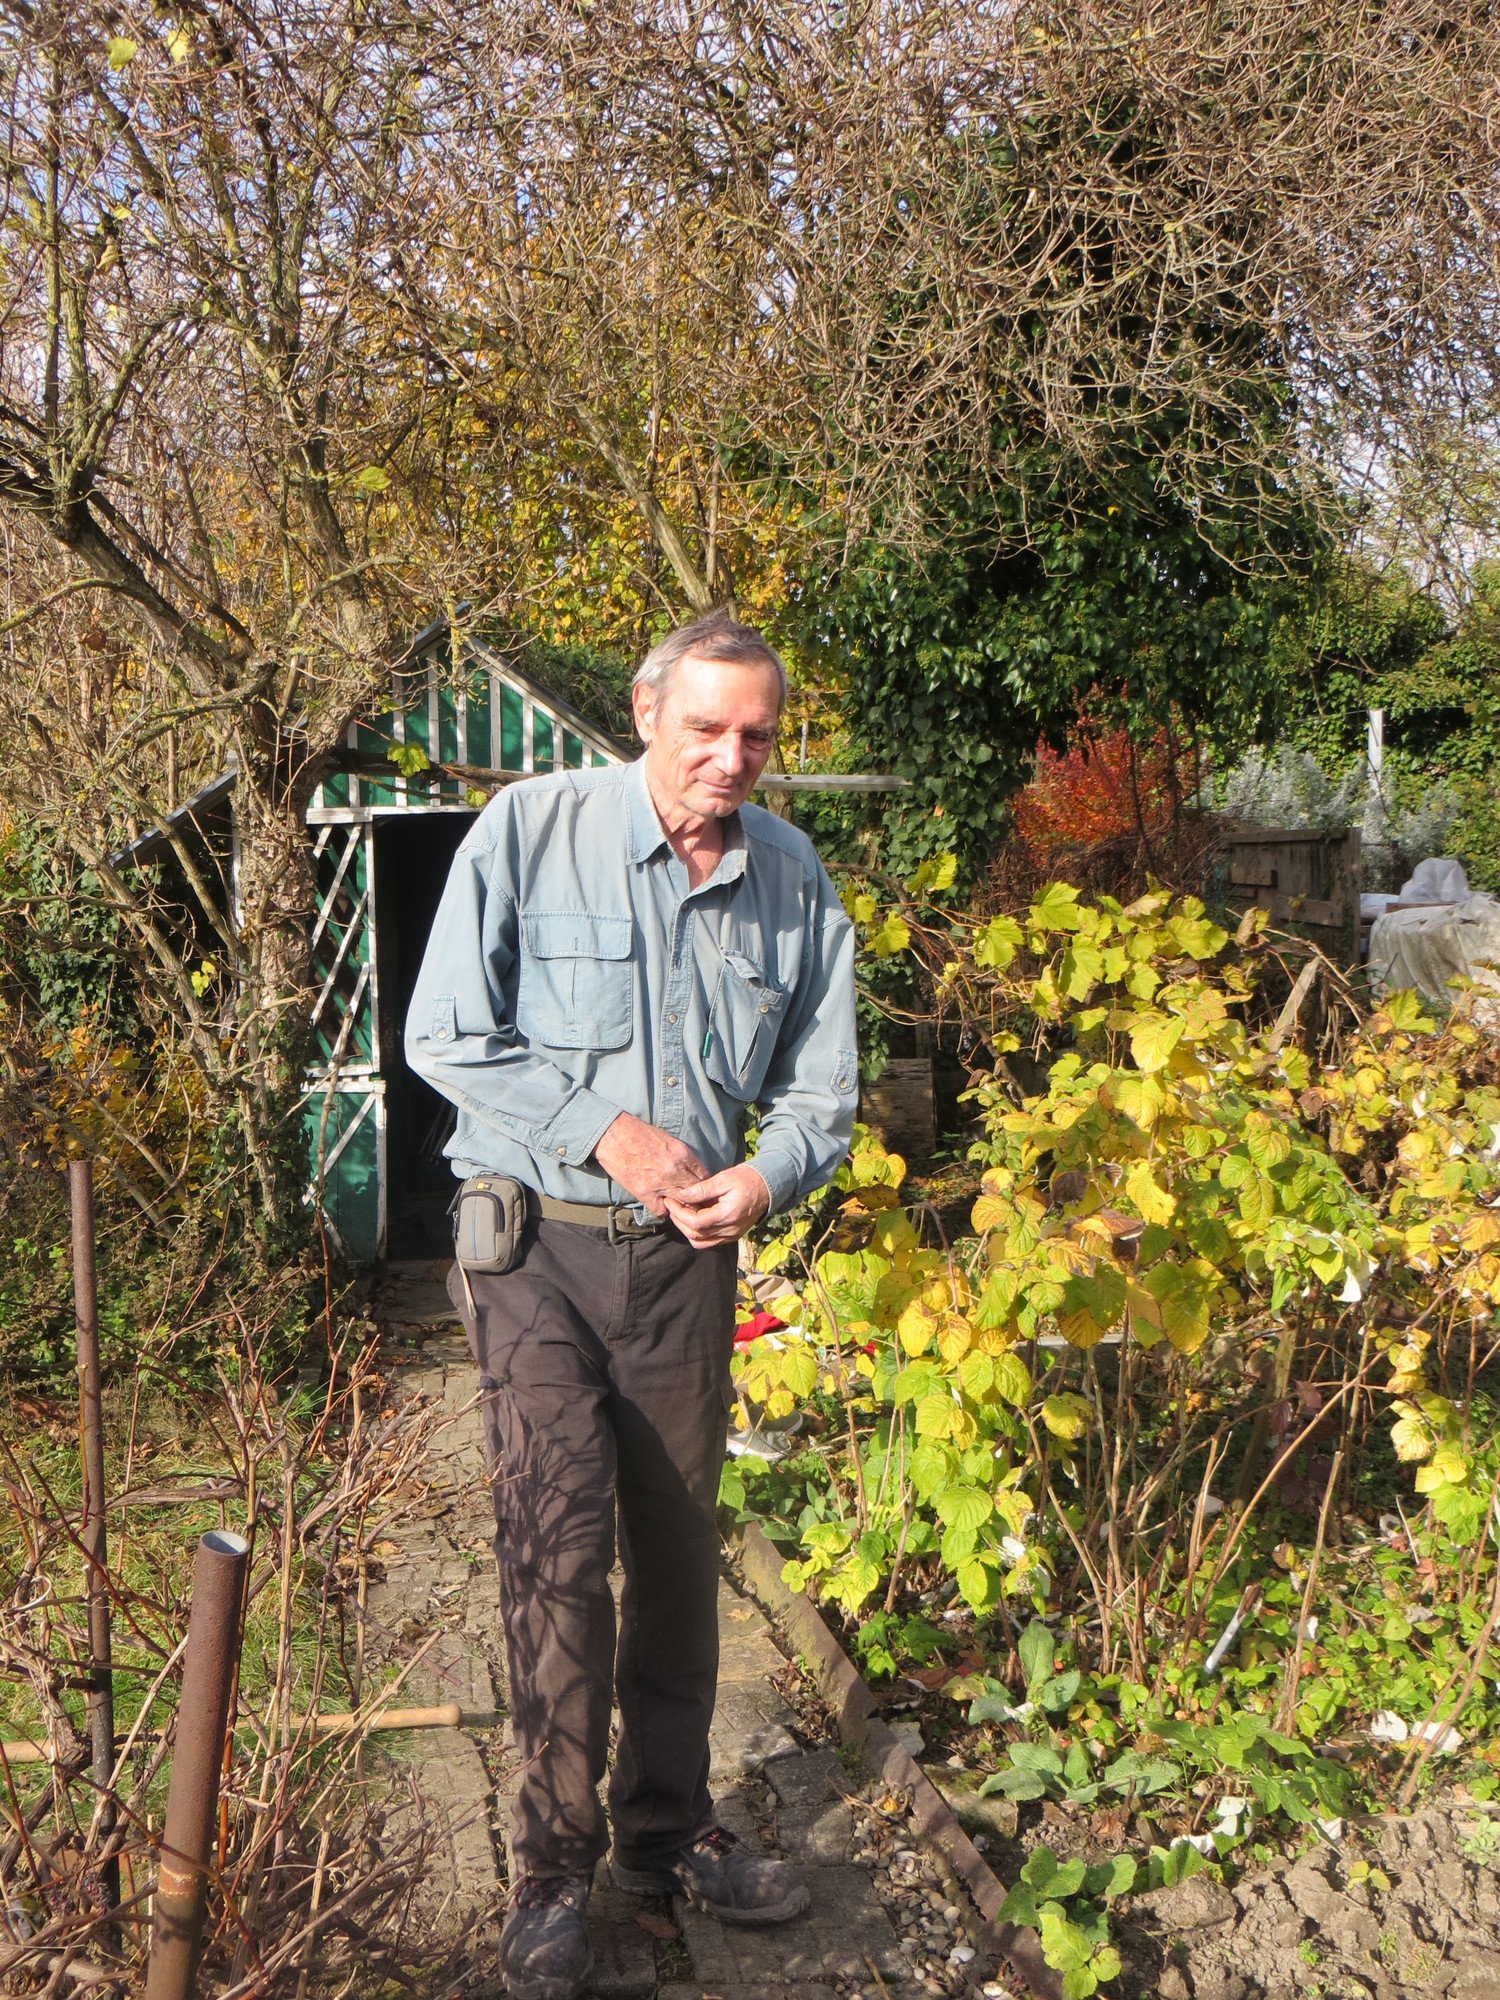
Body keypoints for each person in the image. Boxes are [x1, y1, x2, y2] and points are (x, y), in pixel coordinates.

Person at [405, 609, 858, 2000]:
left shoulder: (791, 878)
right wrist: (607, 1132)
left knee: (676, 1551)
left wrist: (765, 1177)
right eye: (706, 726)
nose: (731, 757)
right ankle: (550, 1867)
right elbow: (442, 1033)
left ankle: (665, 1833)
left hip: (683, 1268)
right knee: (559, 1548)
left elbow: (823, 1090)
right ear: (649, 712)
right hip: (533, 1249)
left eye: (757, 736)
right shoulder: (530, 831)